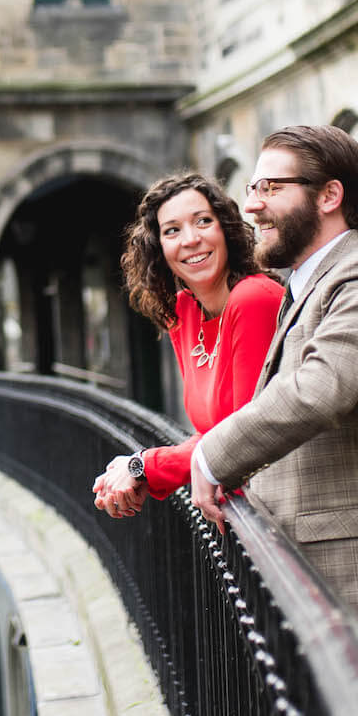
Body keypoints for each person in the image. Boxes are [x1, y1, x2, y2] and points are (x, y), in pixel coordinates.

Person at [189, 125, 358, 680]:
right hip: (315, 573)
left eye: (271, 188)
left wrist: (212, 456)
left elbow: (322, 389)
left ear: (329, 196)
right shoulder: (309, 281)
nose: (251, 206)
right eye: (252, 189)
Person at [92, 173, 283, 519]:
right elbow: (210, 433)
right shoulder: (183, 312)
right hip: (238, 512)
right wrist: (141, 474)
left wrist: (143, 466)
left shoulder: (254, 299)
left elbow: (242, 435)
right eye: (172, 230)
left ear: (225, 228)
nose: (191, 239)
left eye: (203, 222)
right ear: (159, 249)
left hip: (278, 510)